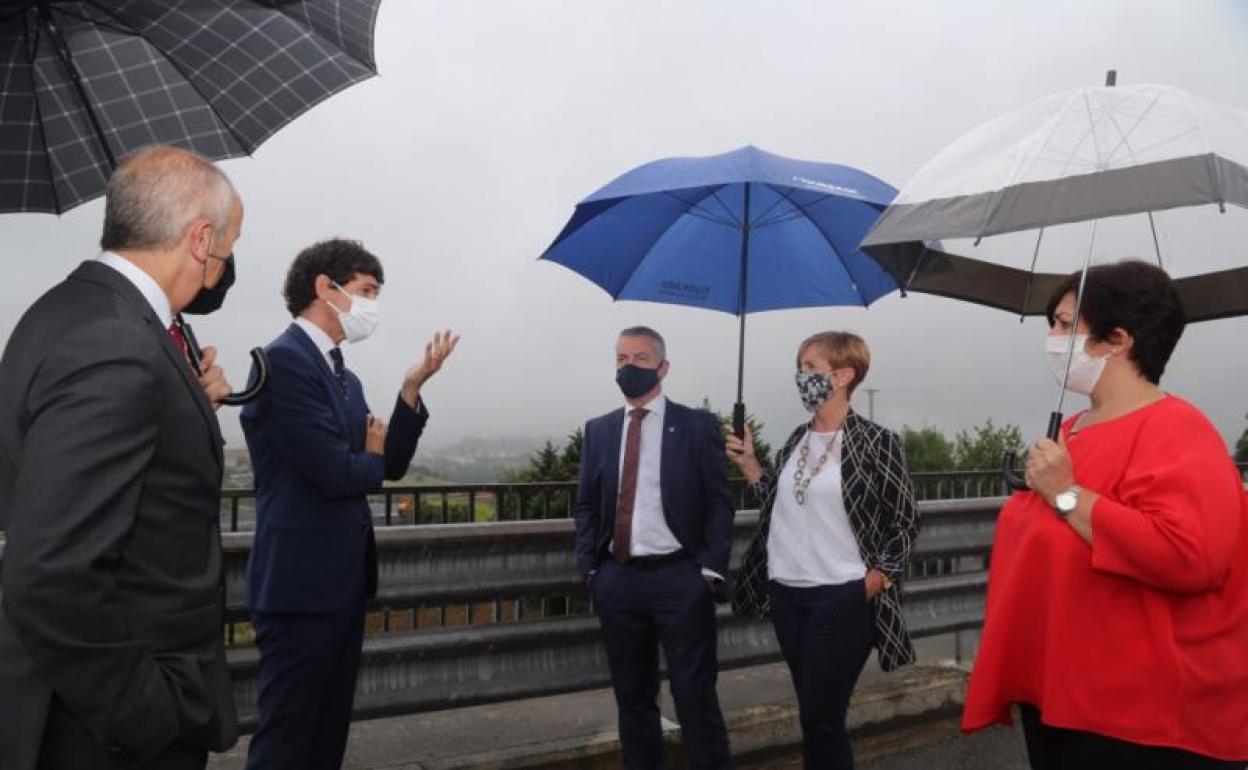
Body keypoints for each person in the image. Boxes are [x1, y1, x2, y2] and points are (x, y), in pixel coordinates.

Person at [0, 146, 242, 769]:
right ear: (199, 238)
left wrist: (184, 402)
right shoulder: (116, 344)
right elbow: (52, 572)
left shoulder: (65, 311)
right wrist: (147, 715)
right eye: (223, 252)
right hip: (103, 730)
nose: (218, 273)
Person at [962, 260, 1248, 769]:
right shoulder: (1073, 428)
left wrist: (1067, 495)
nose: (1053, 336)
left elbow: (1191, 556)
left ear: (1118, 340)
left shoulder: (1177, 429)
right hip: (1059, 692)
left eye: (1067, 324)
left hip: (1138, 716)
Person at [241, 238, 457, 770]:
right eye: (365, 291)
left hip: (342, 586)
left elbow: (388, 466)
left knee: (327, 735)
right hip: (298, 588)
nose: (372, 306)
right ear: (325, 288)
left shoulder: (344, 376)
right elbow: (339, 472)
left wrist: (411, 389)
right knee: (287, 739)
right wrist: (369, 458)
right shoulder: (283, 363)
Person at [729, 331, 919, 770]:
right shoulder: (797, 437)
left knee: (823, 718)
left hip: (842, 597)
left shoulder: (876, 441)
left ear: (843, 375)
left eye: (810, 368)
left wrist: (871, 584)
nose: (801, 377)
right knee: (815, 716)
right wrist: (751, 466)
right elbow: (779, 506)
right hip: (787, 595)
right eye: (800, 367)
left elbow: (905, 524)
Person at [574, 326, 735, 770]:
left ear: (663, 367)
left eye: (640, 359)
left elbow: (720, 501)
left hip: (681, 579)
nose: (629, 367)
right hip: (618, 580)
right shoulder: (599, 430)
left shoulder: (698, 426)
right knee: (632, 698)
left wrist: (709, 569)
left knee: (694, 695)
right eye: (622, 358)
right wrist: (591, 568)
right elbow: (586, 503)